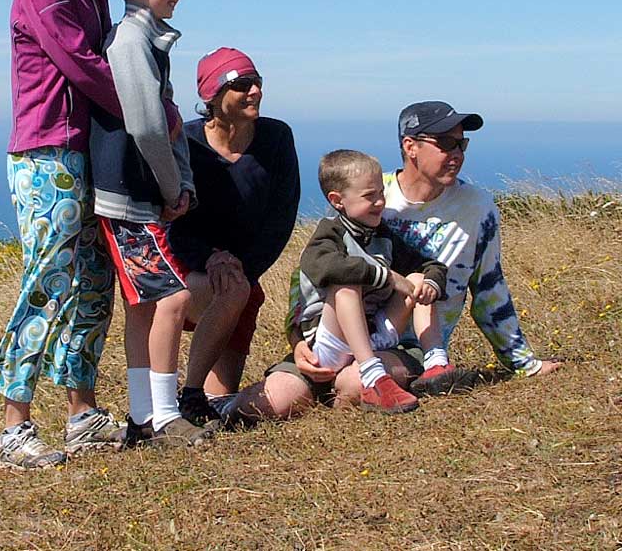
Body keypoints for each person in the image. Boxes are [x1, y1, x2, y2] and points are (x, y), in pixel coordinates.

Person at [230, 100, 561, 422]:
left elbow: (490, 290)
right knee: (274, 400)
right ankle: (221, 407)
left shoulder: (477, 207)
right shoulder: (369, 192)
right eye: (446, 143)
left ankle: (395, 377)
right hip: (336, 335)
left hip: (403, 345)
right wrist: (298, 341)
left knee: (353, 383)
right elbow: (310, 276)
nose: (457, 153)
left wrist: (524, 363)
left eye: (462, 144)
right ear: (410, 146)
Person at [0, 0, 133, 470]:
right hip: (46, 150)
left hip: (85, 148)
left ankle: (81, 414)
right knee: (48, 281)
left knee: (94, 282)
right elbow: (82, 65)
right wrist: (148, 110)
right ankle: (14, 427)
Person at [91, 0, 212, 448]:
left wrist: (178, 182)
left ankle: (144, 415)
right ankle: (163, 415)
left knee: (144, 305)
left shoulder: (147, 40)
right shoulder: (131, 42)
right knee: (173, 296)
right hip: (131, 198)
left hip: (129, 195)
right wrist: (171, 186)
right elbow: (146, 126)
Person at [167, 47, 301, 425]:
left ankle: (196, 399)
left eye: (256, 82)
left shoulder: (276, 138)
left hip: (240, 277)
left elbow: (281, 219)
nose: (255, 91)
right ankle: (186, 394)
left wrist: (242, 267)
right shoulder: (185, 143)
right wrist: (209, 258)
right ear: (213, 96)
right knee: (233, 290)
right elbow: (171, 221)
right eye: (242, 85)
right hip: (187, 271)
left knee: (220, 401)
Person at [291, 149, 452, 414]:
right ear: (337, 200)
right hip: (330, 344)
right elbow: (325, 267)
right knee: (345, 285)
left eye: (381, 193)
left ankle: (436, 363)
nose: (380, 202)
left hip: (373, 333)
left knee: (417, 278)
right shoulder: (329, 234)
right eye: (369, 196)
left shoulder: (382, 234)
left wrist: (431, 283)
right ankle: (373, 379)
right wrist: (385, 276)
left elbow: (428, 265)